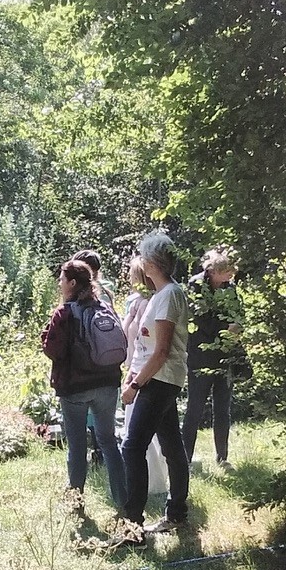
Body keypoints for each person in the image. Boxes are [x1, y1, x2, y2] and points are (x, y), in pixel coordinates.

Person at [119, 231, 191, 541]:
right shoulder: (160, 295)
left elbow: (161, 352)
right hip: (157, 378)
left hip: (159, 380)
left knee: (132, 446)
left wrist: (135, 384)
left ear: (151, 264)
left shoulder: (170, 295)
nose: (140, 262)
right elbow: (147, 348)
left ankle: (133, 528)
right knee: (172, 447)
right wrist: (131, 373)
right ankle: (176, 514)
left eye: (142, 258)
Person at [41, 259, 126, 511]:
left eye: (62, 278)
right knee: (109, 442)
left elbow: (53, 350)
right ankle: (123, 500)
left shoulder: (64, 313)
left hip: (75, 388)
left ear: (73, 283)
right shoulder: (104, 306)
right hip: (108, 385)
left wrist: (45, 335)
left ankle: (76, 504)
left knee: (77, 446)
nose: (59, 282)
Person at [181, 247, 243, 468]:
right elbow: (201, 320)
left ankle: (222, 457)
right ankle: (184, 458)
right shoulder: (196, 285)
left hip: (225, 354)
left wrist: (236, 327)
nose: (231, 276)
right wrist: (227, 326)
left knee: (223, 407)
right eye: (227, 272)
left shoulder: (230, 288)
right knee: (195, 408)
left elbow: (238, 311)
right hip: (201, 355)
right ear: (215, 271)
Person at [121, 255, 168, 495]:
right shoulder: (133, 302)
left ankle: (151, 485)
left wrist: (135, 377)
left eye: (132, 273)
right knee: (138, 430)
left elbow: (146, 343)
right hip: (133, 369)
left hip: (143, 373)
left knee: (137, 434)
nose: (129, 277)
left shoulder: (149, 304)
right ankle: (147, 483)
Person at [71, 249, 114, 465]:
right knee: (101, 411)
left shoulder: (88, 294)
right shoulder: (108, 291)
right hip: (107, 357)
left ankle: (98, 452)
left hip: (88, 359)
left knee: (90, 409)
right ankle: (100, 452)